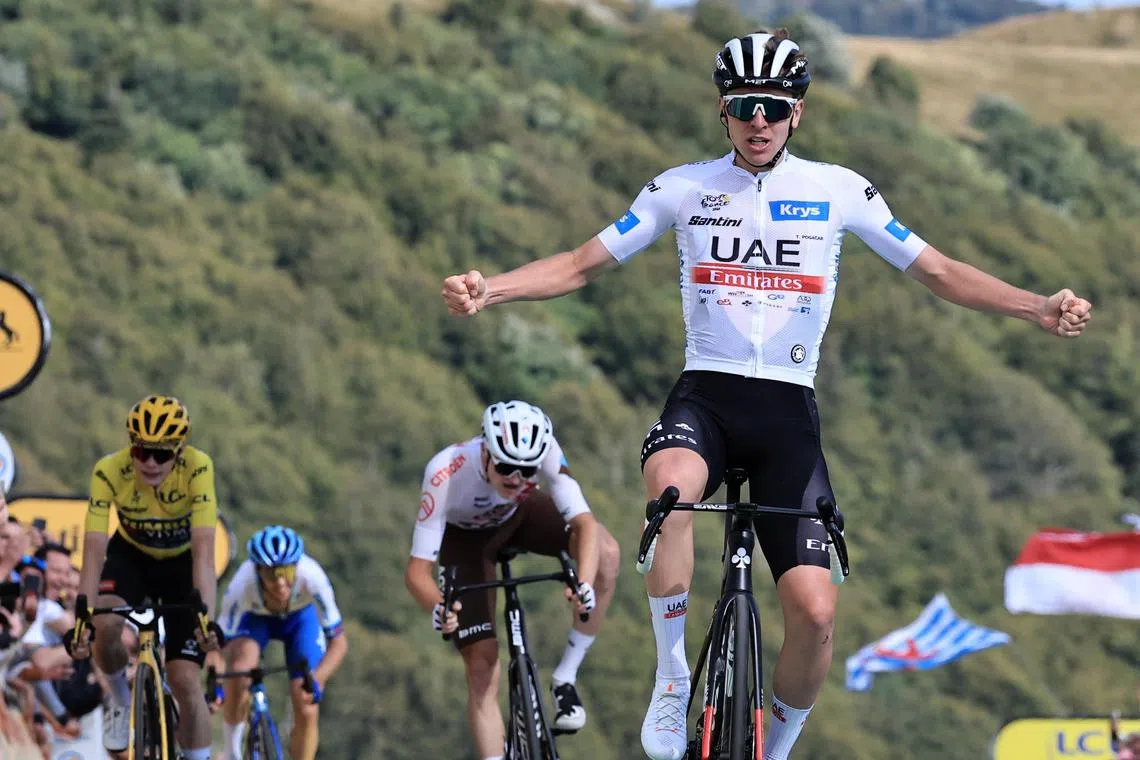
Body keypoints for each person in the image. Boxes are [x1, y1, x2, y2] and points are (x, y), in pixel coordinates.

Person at [440, 29, 1093, 760]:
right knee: (670, 493)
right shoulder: (682, 188)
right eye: (746, 106)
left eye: (775, 109)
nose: (760, 121)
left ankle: (775, 748)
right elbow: (582, 263)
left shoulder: (838, 191)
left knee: (815, 617)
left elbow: (936, 271)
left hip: (788, 415)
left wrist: (1033, 306)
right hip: (708, 400)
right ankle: (671, 674)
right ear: (724, 110)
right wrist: (491, 288)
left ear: (797, 116)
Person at [404, 400, 621, 760]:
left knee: (607, 554)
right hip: (466, 540)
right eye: (506, 466)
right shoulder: (445, 471)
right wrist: (439, 608)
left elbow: (583, 523)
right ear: (485, 450)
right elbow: (416, 572)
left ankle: (565, 677)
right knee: (481, 665)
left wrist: (582, 583)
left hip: (522, 516)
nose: (516, 478)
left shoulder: (546, 452)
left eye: (526, 470)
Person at [71, 395, 221, 760]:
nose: (150, 463)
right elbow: (92, 551)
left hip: (182, 563)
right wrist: (81, 620)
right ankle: (120, 699)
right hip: (131, 557)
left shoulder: (198, 468)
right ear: (130, 447)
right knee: (105, 625)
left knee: (185, 679)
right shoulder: (108, 470)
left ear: (180, 452)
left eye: (162, 454)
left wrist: (206, 620)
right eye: (141, 452)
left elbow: (203, 551)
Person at [217, 526, 348, 760]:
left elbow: (339, 642)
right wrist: (217, 681)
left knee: (306, 702)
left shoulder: (312, 576)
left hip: (300, 620)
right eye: (270, 574)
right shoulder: (242, 584)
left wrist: (317, 681)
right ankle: (231, 751)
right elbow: (218, 642)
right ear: (257, 571)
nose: (280, 583)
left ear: (297, 567)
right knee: (239, 672)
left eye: (286, 572)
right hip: (256, 619)